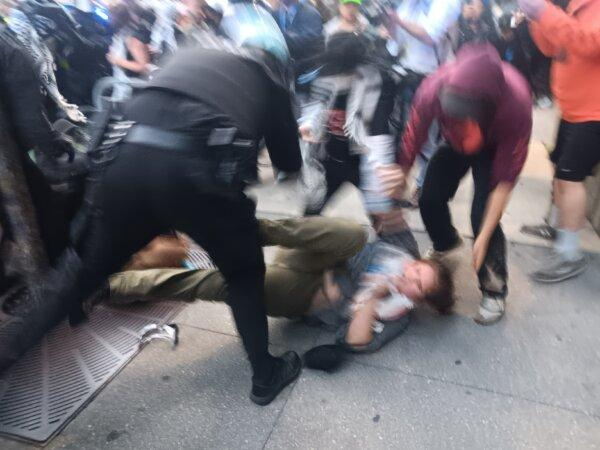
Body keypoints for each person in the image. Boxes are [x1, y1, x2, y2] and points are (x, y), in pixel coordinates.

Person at [34, 11, 303, 405]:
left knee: (79, 275)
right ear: (277, 60)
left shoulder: (193, 53)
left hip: (123, 162)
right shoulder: (270, 81)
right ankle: (265, 374)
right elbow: (290, 166)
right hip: (197, 175)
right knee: (245, 273)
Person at [106, 216, 454, 353]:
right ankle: (249, 228)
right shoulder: (403, 249)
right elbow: (384, 209)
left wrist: (374, 297)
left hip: (305, 294)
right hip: (311, 255)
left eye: (416, 287)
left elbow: (356, 341)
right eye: (416, 271)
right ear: (419, 260)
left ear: (418, 301)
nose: (408, 277)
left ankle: (116, 286)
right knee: (352, 233)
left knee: (227, 282)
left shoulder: (397, 315)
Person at [382, 43, 532, 325]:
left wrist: (483, 237)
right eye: (456, 111)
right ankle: (446, 242)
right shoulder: (434, 87)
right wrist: (396, 187)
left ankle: (494, 288)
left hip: (495, 146)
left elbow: (504, 184)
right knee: (428, 197)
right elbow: (411, 141)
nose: (461, 117)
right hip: (453, 142)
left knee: (482, 216)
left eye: (468, 114)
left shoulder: (517, 104)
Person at [517, 0, 600, 282]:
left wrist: (545, 12)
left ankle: (569, 254)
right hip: (574, 108)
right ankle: (556, 226)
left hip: (595, 112)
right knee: (559, 170)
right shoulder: (574, 5)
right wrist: (535, 18)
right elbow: (552, 47)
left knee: (570, 178)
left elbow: (589, 43)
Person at [389, 0, 461, 208]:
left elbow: (430, 35)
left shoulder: (448, 3)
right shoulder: (409, 3)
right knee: (404, 135)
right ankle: (400, 187)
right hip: (407, 75)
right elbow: (396, 39)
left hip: (434, 79)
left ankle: (425, 187)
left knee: (429, 139)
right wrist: (387, 16)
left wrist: (398, 19)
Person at [106, 2, 152, 100]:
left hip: (129, 91)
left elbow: (143, 67)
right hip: (120, 85)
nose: (110, 19)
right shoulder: (122, 32)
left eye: (112, 16)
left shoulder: (131, 38)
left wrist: (117, 61)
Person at [271, 0, 324, 78]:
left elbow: (305, 42)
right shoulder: (274, 14)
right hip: (283, 74)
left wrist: (278, 36)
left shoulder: (311, 14)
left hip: (305, 74)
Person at [497, 12, 532, 85]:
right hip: (513, 78)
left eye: (508, 31)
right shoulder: (501, 44)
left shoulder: (521, 39)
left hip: (527, 75)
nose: (505, 34)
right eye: (503, 31)